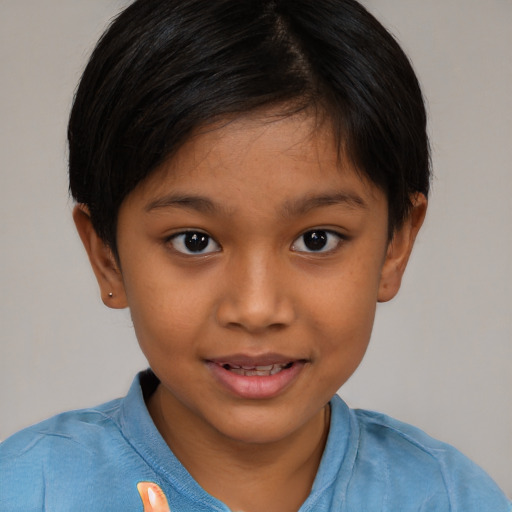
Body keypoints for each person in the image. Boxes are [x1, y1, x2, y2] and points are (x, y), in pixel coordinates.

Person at [0, 0, 510, 510]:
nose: (257, 308)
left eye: (317, 239)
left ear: (394, 247)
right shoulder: (28, 490)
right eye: (194, 241)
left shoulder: (450, 497)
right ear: (106, 256)